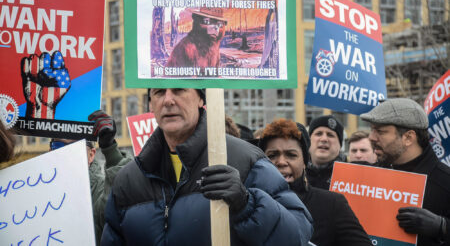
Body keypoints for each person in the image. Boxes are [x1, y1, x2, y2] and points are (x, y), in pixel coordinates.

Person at [101, 88, 313, 245]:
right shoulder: (128, 179)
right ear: (150, 104)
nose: (168, 100)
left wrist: (247, 204)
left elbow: (298, 235)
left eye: (178, 90)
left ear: (202, 98)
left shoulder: (245, 159)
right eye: (158, 92)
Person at [259, 118, 372, 246]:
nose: (281, 162)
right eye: (272, 155)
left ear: (304, 162)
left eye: (291, 155)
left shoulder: (332, 205)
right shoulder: (249, 202)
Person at [361, 98, 450, 246]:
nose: (371, 137)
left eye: (380, 131)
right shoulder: (367, 175)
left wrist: (442, 227)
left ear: (408, 138)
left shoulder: (445, 182)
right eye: (371, 130)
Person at [50, 110, 132, 246]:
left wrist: (110, 149)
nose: (65, 153)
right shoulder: (36, 189)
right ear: (50, 151)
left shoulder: (100, 188)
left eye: (75, 147)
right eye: (58, 146)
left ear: (91, 155)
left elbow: (117, 206)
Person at [306, 115, 346, 189]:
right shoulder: (296, 174)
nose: (324, 139)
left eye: (330, 135)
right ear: (308, 141)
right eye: (318, 134)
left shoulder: (351, 176)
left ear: (340, 145)